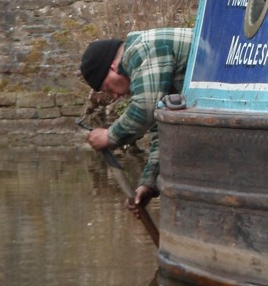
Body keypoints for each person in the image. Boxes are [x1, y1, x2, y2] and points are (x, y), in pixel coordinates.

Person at [80, 27, 193, 217]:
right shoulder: (148, 64)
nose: (115, 96)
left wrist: (109, 136)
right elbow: (161, 129)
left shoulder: (141, 49)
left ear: (113, 68)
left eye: (108, 88)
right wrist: (148, 184)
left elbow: (145, 109)